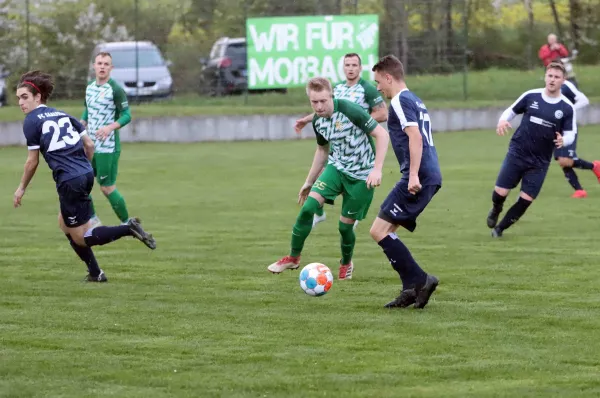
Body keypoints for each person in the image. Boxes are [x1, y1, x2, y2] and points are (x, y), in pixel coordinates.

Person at [13, 70, 156, 283]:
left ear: (37, 97)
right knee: (64, 223)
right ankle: (95, 273)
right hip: (85, 173)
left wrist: (21, 187)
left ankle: (128, 228)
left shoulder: (31, 121)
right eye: (18, 98)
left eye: (24, 97)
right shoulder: (63, 115)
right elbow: (89, 145)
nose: (20, 103)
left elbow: (32, 161)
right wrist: (83, 169)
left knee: (82, 237)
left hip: (70, 181)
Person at [268, 77, 390, 280]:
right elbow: (322, 151)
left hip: (361, 175)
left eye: (323, 101)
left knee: (344, 227)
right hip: (336, 168)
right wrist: (309, 181)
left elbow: (382, 135)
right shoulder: (318, 121)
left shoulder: (350, 110)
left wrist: (377, 170)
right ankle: (293, 257)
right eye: (314, 102)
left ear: (331, 96)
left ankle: (345, 263)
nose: (319, 106)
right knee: (308, 208)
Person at [368, 55, 441, 309]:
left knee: (377, 231)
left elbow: (416, 137)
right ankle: (410, 288)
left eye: (379, 82)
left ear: (389, 77)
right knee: (388, 232)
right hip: (428, 174)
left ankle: (420, 280)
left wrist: (411, 175)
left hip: (418, 175)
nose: (378, 88)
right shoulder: (415, 100)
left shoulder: (399, 100)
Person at [294, 53, 388, 229]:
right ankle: (319, 212)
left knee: (341, 180)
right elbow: (325, 108)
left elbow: (383, 113)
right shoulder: (336, 88)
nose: (350, 68)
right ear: (343, 68)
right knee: (322, 173)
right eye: (347, 65)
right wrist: (307, 120)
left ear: (360, 68)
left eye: (354, 65)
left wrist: (358, 120)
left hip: (357, 147)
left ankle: (346, 212)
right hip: (338, 144)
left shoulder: (366, 89)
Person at [487, 62, 576, 237]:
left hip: (540, 161)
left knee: (526, 199)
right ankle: (496, 209)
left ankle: (500, 229)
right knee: (500, 192)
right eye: (550, 75)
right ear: (545, 77)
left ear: (563, 81)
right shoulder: (531, 96)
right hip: (517, 153)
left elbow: (571, 133)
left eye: (557, 77)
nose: (552, 80)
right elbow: (511, 111)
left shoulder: (566, 107)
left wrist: (563, 140)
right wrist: (503, 120)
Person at [81, 52, 132, 226]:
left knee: (106, 187)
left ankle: (127, 223)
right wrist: (82, 123)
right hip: (90, 146)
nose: (102, 66)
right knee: (82, 182)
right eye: (99, 63)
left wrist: (110, 127)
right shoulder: (89, 87)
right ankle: (93, 220)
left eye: (106, 64)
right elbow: (88, 109)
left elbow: (127, 115)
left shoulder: (115, 89)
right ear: (94, 66)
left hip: (107, 147)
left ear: (111, 68)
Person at [554, 79, 600, 197]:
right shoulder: (550, 87)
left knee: (565, 160)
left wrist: (570, 109)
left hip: (568, 127)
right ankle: (579, 190)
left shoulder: (567, 85)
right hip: (556, 127)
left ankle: (595, 166)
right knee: (562, 161)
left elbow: (584, 100)